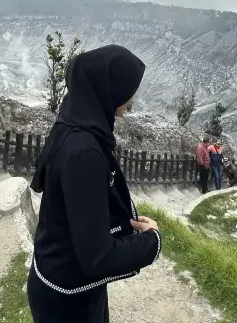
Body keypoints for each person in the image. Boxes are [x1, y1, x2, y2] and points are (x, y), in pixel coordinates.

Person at [28, 45, 161, 323]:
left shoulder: (73, 124)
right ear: (109, 89)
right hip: (69, 301)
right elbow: (97, 257)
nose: (131, 98)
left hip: (60, 278)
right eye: (127, 89)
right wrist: (152, 241)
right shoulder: (84, 153)